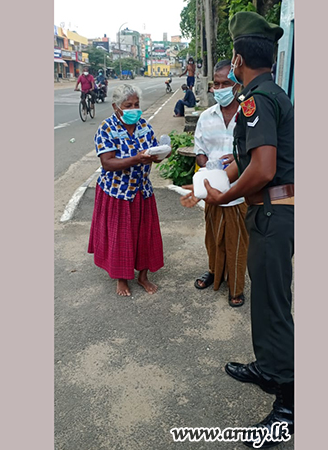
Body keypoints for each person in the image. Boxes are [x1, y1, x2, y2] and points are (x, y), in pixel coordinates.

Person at [202, 11, 294, 448]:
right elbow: (246, 159)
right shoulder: (267, 92)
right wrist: (213, 181)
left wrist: (227, 194)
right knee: (266, 301)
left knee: (274, 306)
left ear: (238, 58)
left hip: (274, 213)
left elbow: (264, 168)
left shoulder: (257, 100)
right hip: (270, 214)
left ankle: (288, 407)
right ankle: (268, 366)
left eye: (231, 62)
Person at [88, 84, 167, 297]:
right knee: (121, 236)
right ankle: (121, 279)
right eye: (128, 105)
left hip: (142, 190)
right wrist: (136, 159)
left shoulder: (144, 126)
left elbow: (151, 151)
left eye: (137, 105)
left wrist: (159, 155)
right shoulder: (107, 128)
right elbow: (107, 163)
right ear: (116, 107)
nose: (134, 109)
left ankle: (143, 276)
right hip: (117, 192)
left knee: (145, 234)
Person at [180, 60, 247, 308]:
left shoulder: (248, 114)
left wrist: (235, 165)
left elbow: (253, 155)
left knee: (237, 242)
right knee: (213, 238)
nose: (219, 88)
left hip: (239, 192)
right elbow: (199, 150)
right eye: (216, 84)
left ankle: (236, 286)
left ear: (237, 85)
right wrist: (208, 165)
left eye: (225, 83)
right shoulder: (207, 117)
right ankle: (213, 271)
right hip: (211, 189)